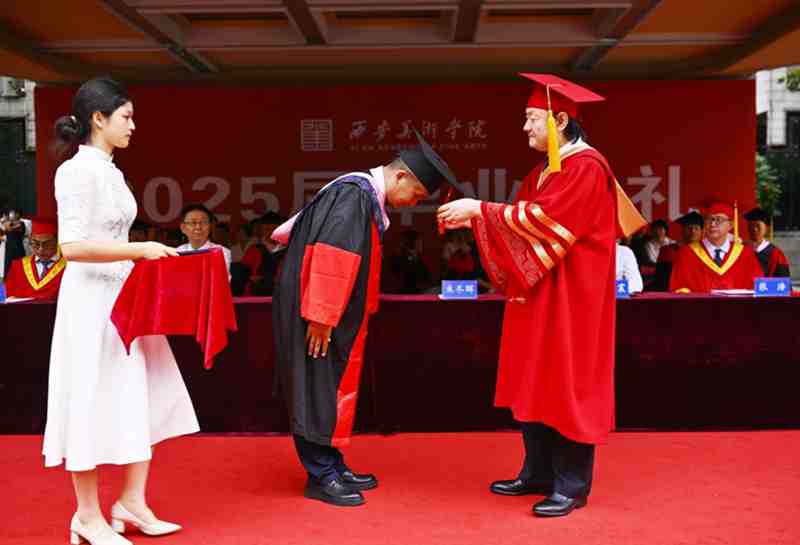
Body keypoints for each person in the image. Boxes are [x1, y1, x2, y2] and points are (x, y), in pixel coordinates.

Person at [437, 73, 645, 518]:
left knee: (568, 381)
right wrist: (478, 220)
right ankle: (537, 472)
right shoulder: (545, 171)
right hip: (540, 293)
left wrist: (481, 210)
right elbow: (522, 225)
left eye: (532, 118)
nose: (525, 127)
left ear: (560, 121)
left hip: (573, 299)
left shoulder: (586, 167)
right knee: (535, 378)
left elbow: (546, 221)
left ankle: (571, 485)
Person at [44, 77, 199, 545]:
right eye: (126, 117)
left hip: (123, 296)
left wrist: (142, 258)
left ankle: (132, 501)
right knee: (88, 398)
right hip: (89, 302)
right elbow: (71, 247)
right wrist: (139, 250)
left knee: (138, 393)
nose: (133, 125)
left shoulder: (111, 170)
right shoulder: (75, 171)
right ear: (98, 119)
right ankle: (87, 516)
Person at [271, 129, 459, 507]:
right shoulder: (354, 194)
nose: (411, 204)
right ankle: (321, 475)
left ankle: (332, 464)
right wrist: (322, 316)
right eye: (416, 195)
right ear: (401, 175)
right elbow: (333, 253)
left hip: (328, 308)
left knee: (328, 383)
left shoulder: (363, 196)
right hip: (317, 309)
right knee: (316, 385)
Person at [670, 202, 763, 292]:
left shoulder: (745, 255)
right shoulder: (687, 254)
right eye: (709, 219)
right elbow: (679, 288)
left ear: (730, 225)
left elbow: (759, 287)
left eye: (718, 220)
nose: (712, 224)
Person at [4, 217, 66, 300]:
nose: (41, 249)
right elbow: (10, 297)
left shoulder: (68, 267)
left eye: (46, 244)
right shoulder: (18, 267)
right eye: (36, 244)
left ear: (57, 241)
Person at [652, 211, 703, 291]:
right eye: (689, 228)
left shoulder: (707, 253)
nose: (693, 231)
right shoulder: (668, 251)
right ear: (682, 230)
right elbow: (661, 281)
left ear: (701, 232)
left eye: (696, 228)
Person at [176, 203, 232, 276]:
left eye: (203, 222)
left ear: (210, 226)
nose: (198, 227)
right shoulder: (177, 253)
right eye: (193, 222)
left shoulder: (222, 252)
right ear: (183, 228)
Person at [240, 211, 286, 295]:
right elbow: (242, 275)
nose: (271, 232)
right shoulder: (254, 250)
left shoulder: (288, 250)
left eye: (274, 229)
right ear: (262, 230)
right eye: (267, 229)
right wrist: (251, 278)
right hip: (256, 294)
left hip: (281, 293)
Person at [744, 207, 791, 277]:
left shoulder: (776, 254)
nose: (754, 229)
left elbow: (782, 280)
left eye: (758, 226)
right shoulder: (741, 250)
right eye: (751, 226)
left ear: (767, 228)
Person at [389, 229, 432, 294]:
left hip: (413, 294)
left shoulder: (416, 258)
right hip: (407, 295)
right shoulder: (402, 259)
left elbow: (427, 278)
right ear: (412, 243)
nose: (421, 244)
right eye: (419, 242)